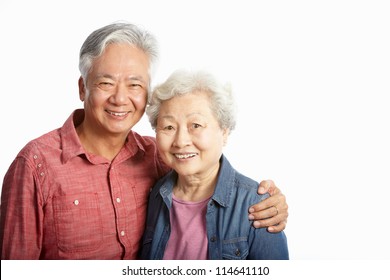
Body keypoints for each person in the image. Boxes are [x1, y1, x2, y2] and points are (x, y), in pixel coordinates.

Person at [0, 22, 288, 260]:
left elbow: (206, 175)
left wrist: (268, 201)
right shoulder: (36, 165)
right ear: (82, 87)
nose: (120, 98)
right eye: (105, 82)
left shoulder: (157, 157)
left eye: (135, 85)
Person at [140, 69, 289, 260]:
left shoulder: (257, 206)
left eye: (196, 125)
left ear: (224, 132)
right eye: (169, 127)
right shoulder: (156, 193)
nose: (181, 141)